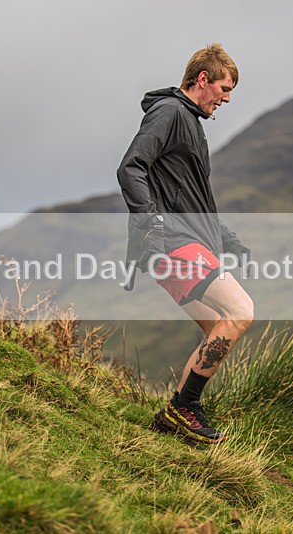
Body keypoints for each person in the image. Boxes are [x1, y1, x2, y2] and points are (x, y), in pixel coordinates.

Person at [116, 43, 253, 444]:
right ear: (203, 79)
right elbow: (130, 167)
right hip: (172, 242)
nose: (226, 99)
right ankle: (184, 408)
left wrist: (226, 238)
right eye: (224, 89)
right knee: (240, 312)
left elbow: (191, 197)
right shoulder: (171, 112)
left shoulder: (189, 121)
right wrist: (151, 223)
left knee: (218, 328)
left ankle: (176, 414)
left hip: (182, 241)